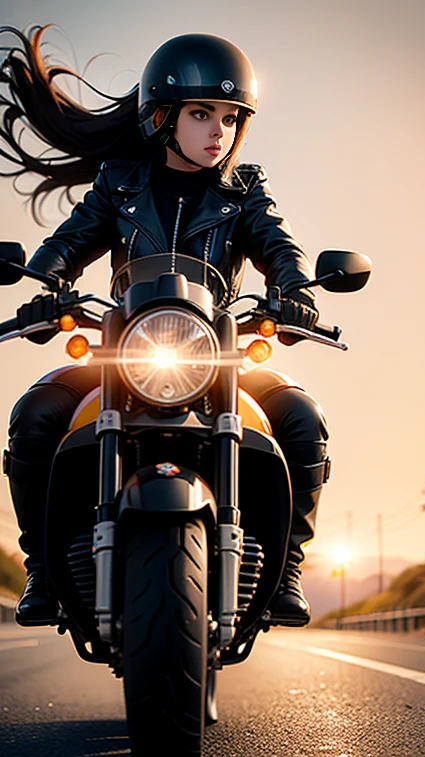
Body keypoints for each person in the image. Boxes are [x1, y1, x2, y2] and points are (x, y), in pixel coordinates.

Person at [0, 26, 330, 627]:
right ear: (161, 117)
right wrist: (41, 285)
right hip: (124, 353)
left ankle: (285, 572)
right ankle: (42, 572)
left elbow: (280, 246)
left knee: (303, 419)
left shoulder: (245, 191)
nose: (217, 132)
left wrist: (296, 291)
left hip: (217, 356)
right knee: (36, 413)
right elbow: (67, 244)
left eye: (230, 118)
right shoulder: (119, 184)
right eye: (202, 113)